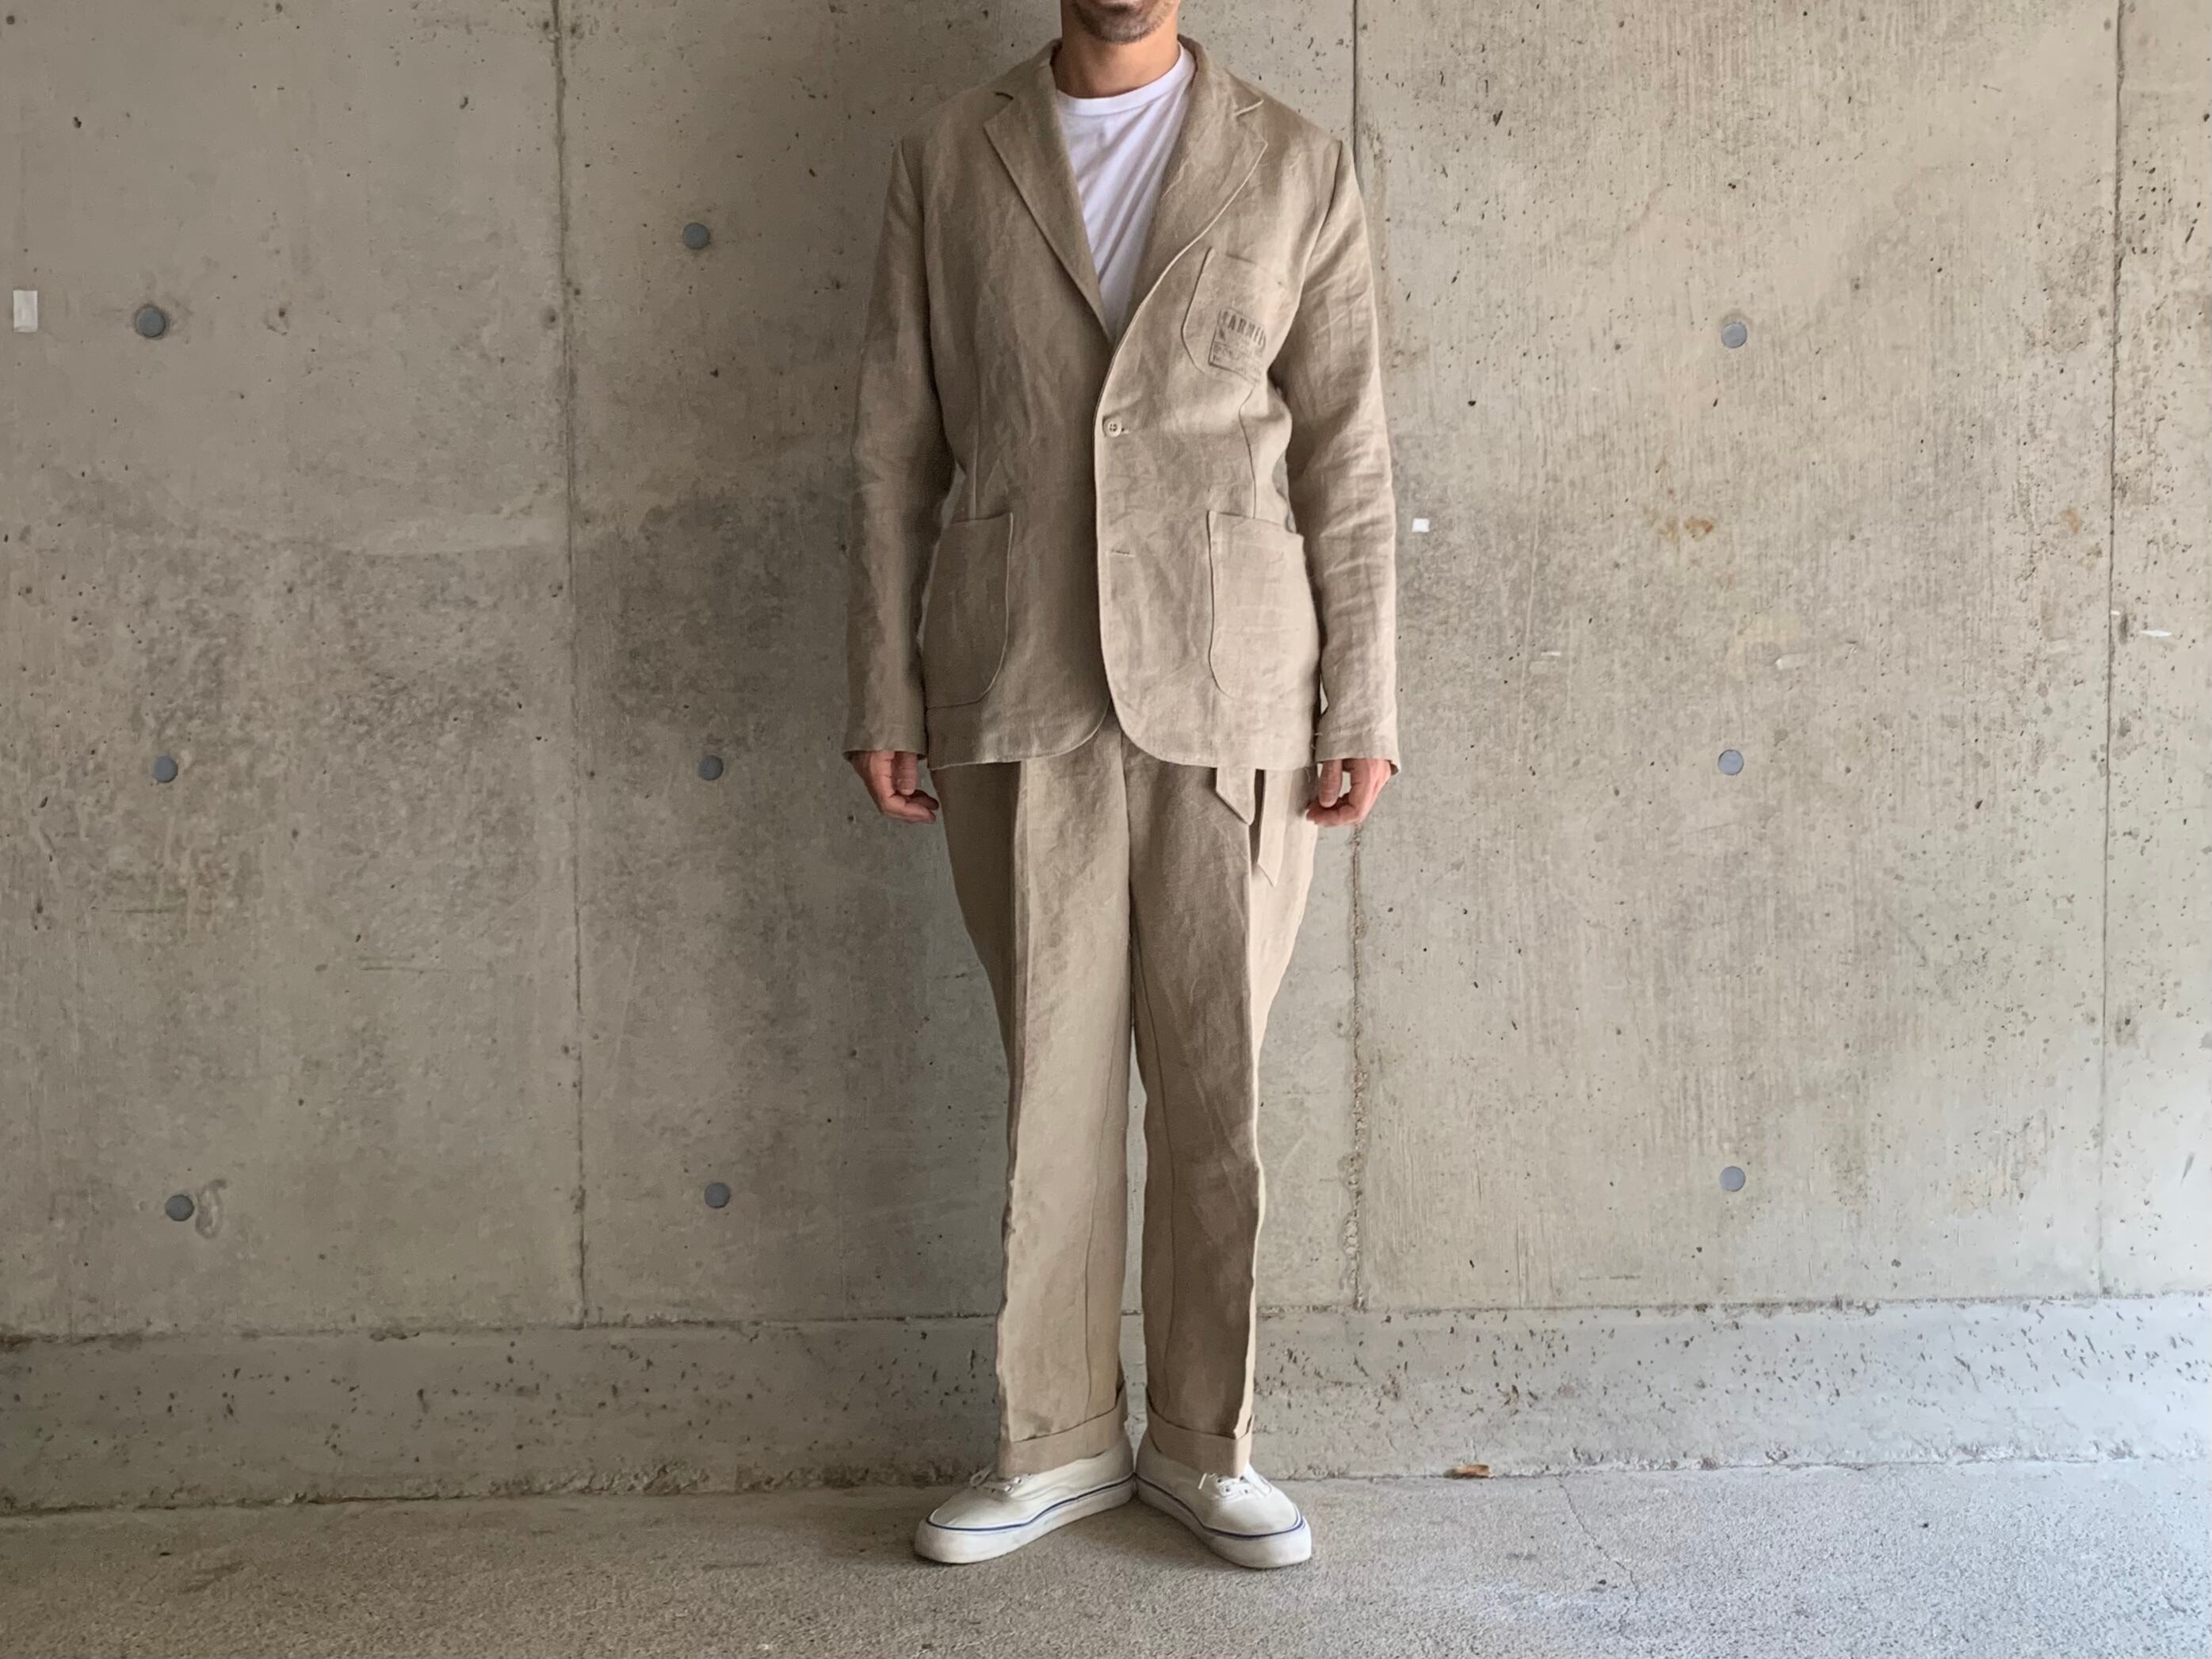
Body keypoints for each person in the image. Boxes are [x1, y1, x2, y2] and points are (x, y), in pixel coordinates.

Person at [841, 0, 1397, 1570]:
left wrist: (1364, 699)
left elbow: (1347, 451)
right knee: (1055, 1089)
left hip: (1236, 685)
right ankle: (1054, 1441)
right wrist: (882, 682)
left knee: (1217, 1093)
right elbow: (893, 447)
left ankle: (1205, 1444)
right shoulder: (949, 159)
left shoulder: (1295, 164)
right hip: (1017, 669)